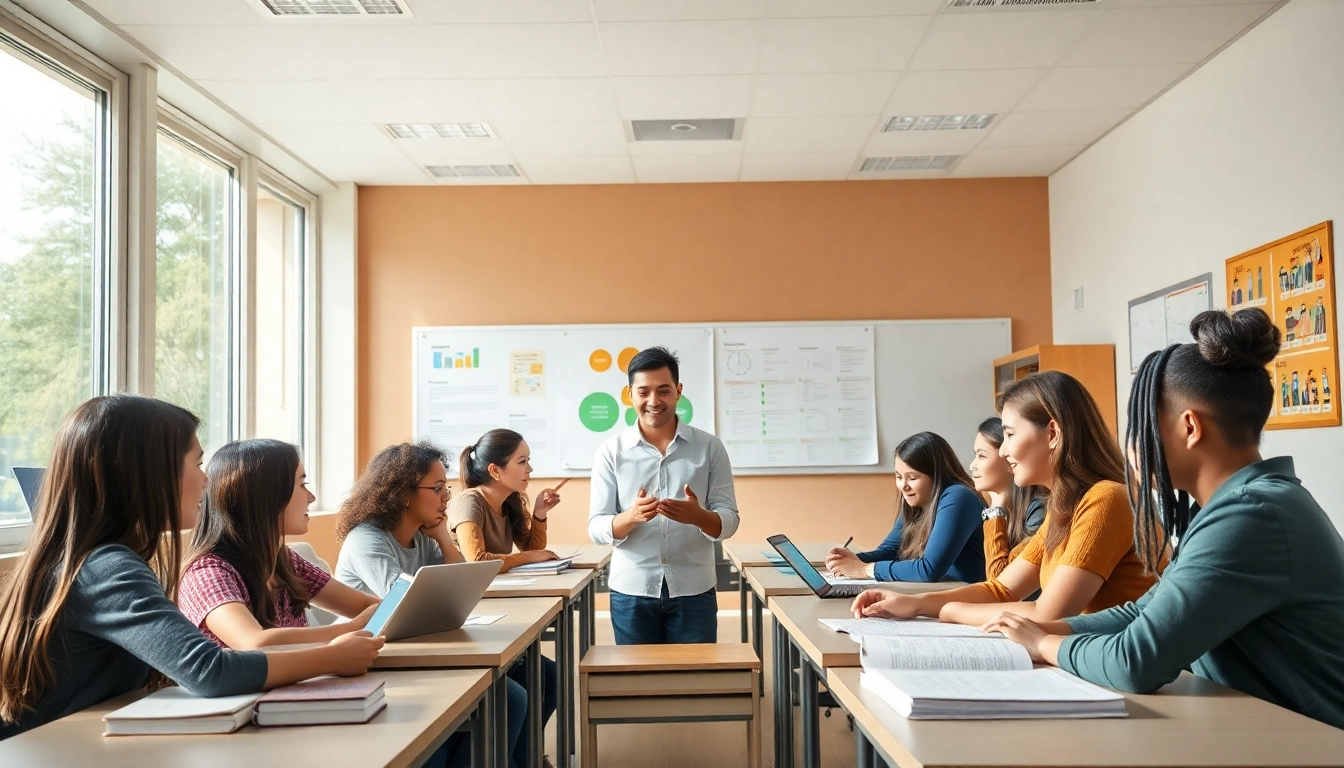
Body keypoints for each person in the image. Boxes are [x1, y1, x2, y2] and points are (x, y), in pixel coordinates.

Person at [982, 309, 1344, 730]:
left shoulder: (1252, 516)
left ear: (1189, 427)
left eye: (1140, 427)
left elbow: (1137, 661)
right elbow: (1142, 614)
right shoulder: (1237, 507)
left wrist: (1044, 642)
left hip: (1311, 744)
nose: (1132, 448)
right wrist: (1038, 629)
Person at [0, 396, 381, 740]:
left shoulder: (96, 561)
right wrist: (333, 655)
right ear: (149, 474)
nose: (205, 480)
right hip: (43, 750)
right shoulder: (107, 568)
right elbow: (209, 671)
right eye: (198, 463)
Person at [180, 439, 475, 767]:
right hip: (251, 724)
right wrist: (349, 631)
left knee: (454, 725)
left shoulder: (284, 560)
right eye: (301, 484)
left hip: (299, 701)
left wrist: (407, 609)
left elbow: (368, 603)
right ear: (265, 496)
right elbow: (254, 642)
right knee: (436, 745)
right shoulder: (208, 571)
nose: (312, 496)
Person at [849, 371, 1162, 627]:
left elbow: (1048, 614)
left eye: (1010, 435)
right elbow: (1003, 588)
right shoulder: (1065, 506)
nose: (1003, 451)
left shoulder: (1106, 499)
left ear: (1052, 434)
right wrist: (913, 603)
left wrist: (944, 611)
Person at [333, 442, 539, 768]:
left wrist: (443, 537)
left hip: (413, 650)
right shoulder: (367, 539)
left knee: (516, 691)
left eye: (447, 487)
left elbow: (459, 589)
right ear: (403, 493)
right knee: (507, 698)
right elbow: (399, 605)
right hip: (371, 659)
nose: (447, 497)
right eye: (438, 488)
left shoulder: (423, 538)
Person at [589, 346, 739, 645]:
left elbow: (730, 520)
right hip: (632, 590)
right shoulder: (611, 452)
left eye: (664, 390)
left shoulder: (709, 448)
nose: (654, 401)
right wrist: (630, 517)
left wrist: (699, 516)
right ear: (630, 394)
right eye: (643, 392)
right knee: (637, 687)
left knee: (693, 683)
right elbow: (596, 527)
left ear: (678, 391)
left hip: (694, 589)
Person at [446, 429, 559, 748]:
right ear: (495, 470)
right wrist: (527, 556)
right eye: (522, 462)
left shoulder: (507, 501)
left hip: (496, 607)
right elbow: (477, 559)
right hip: (470, 614)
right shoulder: (470, 502)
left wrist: (539, 513)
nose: (530, 470)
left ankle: (528, 755)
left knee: (551, 680)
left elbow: (532, 545)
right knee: (532, 686)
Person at [824, 432, 985, 583]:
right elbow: (890, 552)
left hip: (968, 600)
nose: (903, 486)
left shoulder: (959, 497)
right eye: (898, 477)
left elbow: (928, 569)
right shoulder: (917, 501)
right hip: (942, 594)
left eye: (912, 478)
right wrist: (850, 560)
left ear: (937, 476)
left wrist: (864, 570)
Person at [969, 417, 1046, 580]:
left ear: (1008, 460)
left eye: (981, 456)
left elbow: (999, 581)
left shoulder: (1039, 510)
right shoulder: (994, 508)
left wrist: (995, 511)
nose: (972, 465)